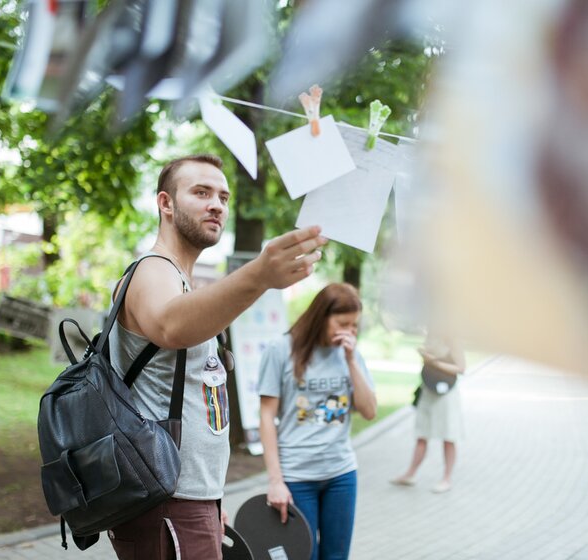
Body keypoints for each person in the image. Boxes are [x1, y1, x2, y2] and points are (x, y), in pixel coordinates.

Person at [106, 154, 327, 560]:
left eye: (223, 197)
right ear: (165, 203)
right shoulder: (152, 270)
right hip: (166, 501)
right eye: (201, 192)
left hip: (191, 497)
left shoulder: (182, 281)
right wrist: (259, 275)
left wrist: (212, 498)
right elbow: (170, 326)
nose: (217, 205)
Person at [258, 283, 377, 560]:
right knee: (303, 556)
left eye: (354, 325)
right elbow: (266, 416)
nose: (349, 331)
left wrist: (350, 360)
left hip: (341, 474)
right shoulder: (280, 350)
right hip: (297, 477)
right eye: (343, 323)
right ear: (321, 317)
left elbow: (369, 411)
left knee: (336, 556)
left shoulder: (351, 355)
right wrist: (275, 480)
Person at [391, 331, 465, 493]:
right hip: (428, 388)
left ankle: (447, 478)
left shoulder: (452, 336)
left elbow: (461, 368)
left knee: (448, 435)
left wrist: (435, 363)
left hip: (446, 393)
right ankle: (410, 473)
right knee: (422, 433)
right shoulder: (431, 335)